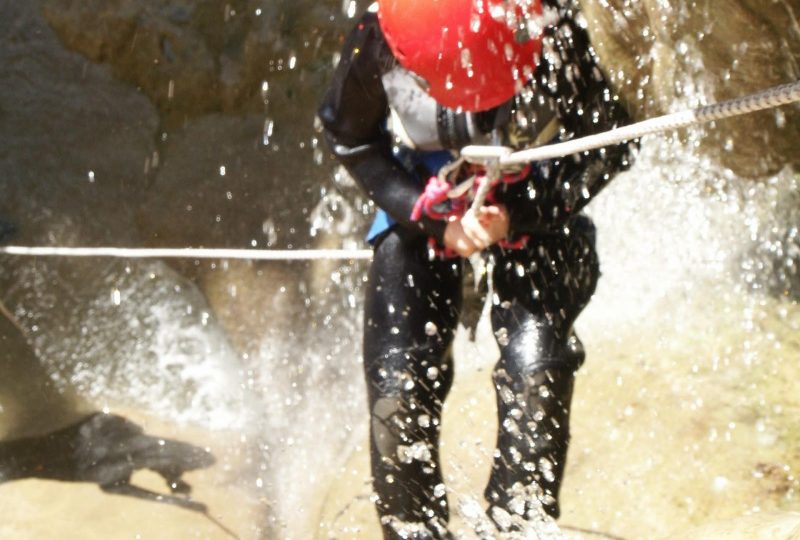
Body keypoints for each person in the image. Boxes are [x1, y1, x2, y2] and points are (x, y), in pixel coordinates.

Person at [318, 0, 635, 537]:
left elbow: (610, 143)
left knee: (536, 367)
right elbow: (351, 137)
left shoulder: (550, 29)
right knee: (398, 386)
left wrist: (518, 214)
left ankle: (521, 521)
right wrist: (429, 215)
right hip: (429, 200)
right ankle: (412, 528)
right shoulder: (380, 36)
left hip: (535, 196)